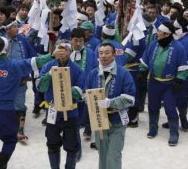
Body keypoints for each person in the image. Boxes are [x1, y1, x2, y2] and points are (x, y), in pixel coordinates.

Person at [0, 36, 57, 169]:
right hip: (5, 110)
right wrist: (52, 55)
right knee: (9, 140)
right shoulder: (14, 65)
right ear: (7, 49)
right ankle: (1, 167)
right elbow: (37, 61)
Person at [86, 43, 135, 169]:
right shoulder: (93, 74)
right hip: (99, 122)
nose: (103, 56)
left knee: (113, 156)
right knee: (102, 155)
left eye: (107, 52)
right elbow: (85, 93)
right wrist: (89, 100)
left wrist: (111, 102)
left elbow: (130, 99)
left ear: (114, 55)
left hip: (117, 121)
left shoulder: (124, 73)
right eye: (101, 53)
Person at [37, 40, 84, 169]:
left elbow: (81, 92)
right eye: (60, 49)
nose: (62, 52)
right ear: (55, 51)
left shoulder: (77, 69)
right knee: (52, 144)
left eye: (65, 49)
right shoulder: (47, 67)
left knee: (72, 146)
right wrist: (50, 75)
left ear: (70, 52)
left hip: (71, 113)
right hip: (52, 112)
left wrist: (65, 89)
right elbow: (40, 87)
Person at [140, 22, 188, 146]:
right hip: (154, 82)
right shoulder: (153, 44)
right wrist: (142, 71)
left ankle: (173, 133)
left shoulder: (178, 47)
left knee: (170, 108)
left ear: (166, 34)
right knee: (153, 106)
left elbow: (183, 65)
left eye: (160, 32)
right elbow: (145, 58)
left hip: (170, 84)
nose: (157, 33)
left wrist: (179, 80)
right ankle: (153, 127)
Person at [4, 18, 37, 141]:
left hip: (20, 78)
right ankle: (8, 127)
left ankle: (20, 129)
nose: (16, 29)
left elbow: (31, 56)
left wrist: (27, 73)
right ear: (7, 30)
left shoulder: (23, 40)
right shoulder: (2, 41)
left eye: (16, 26)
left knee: (19, 103)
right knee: (7, 103)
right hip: (5, 79)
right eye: (13, 27)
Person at [70, 28, 98, 159]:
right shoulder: (66, 52)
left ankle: (87, 133)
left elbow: (94, 71)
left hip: (86, 91)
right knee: (73, 123)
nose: (78, 44)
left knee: (84, 117)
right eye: (75, 40)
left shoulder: (91, 53)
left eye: (81, 41)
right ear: (71, 40)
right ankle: (76, 148)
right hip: (70, 93)